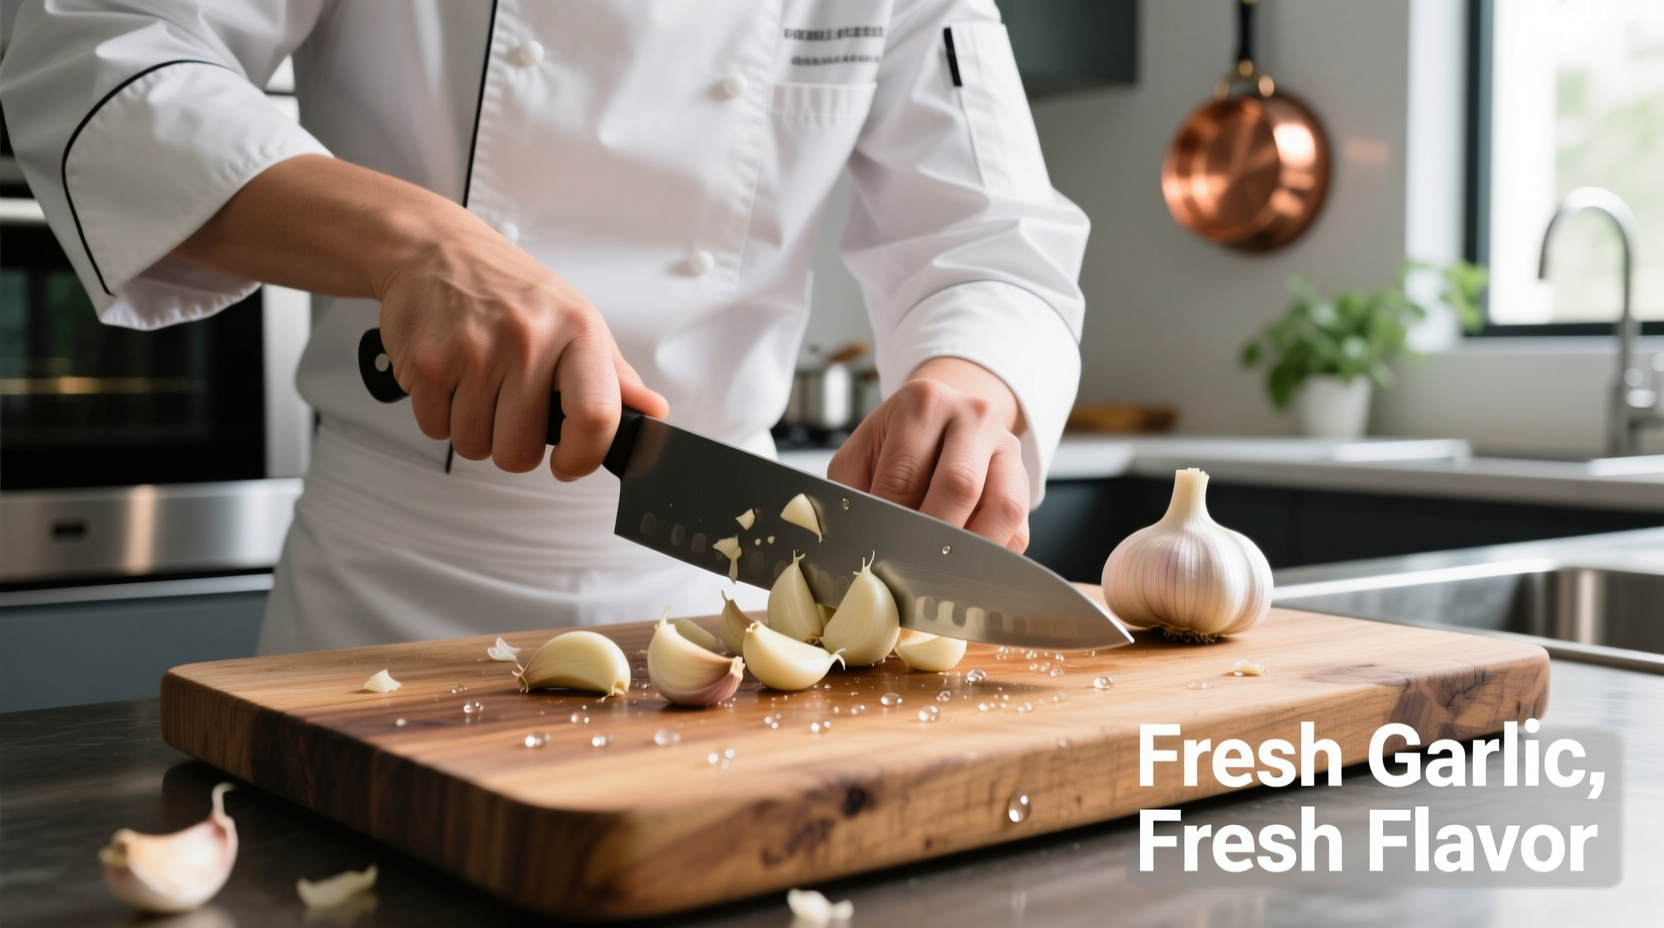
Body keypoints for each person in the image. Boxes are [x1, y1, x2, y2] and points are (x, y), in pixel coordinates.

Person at [0, 1, 1089, 653]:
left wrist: (974, 379)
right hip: (390, 595)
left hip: (715, 597)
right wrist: (420, 242)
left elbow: (992, 232)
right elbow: (100, 50)